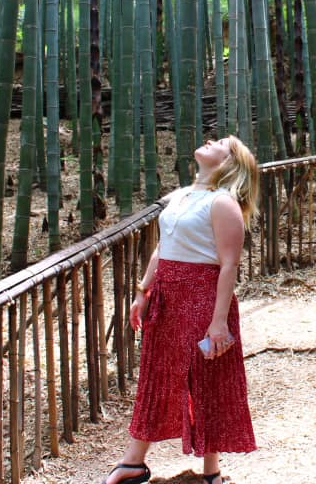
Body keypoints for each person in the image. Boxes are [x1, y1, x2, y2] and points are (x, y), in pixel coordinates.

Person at [101, 136, 260, 484]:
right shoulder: (184, 196)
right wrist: (143, 291)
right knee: (157, 375)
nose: (208, 139)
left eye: (221, 142)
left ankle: (210, 471)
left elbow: (229, 264)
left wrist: (218, 322)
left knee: (207, 380)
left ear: (229, 161)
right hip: (168, 296)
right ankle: (134, 462)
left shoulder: (223, 203)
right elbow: (164, 246)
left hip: (202, 297)